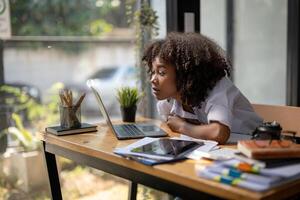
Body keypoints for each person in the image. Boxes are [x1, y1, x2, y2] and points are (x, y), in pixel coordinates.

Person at [142, 32, 262, 144]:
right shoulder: (170, 99)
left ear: (184, 73)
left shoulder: (217, 88)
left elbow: (219, 132)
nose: (153, 79)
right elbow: (169, 122)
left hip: (254, 143)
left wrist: (182, 126)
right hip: (219, 148)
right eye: (152, 72)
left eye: (161, 72)